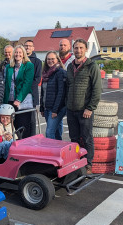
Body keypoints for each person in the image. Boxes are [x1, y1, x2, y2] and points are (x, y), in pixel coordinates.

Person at [66, 39, 102, 174]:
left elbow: (97, 89)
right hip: (71, 110)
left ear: (85, 49)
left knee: (86, 138)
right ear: (73, 50)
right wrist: (67, 104)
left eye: (81, 48)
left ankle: (88, 165)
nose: (78, 50)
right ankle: (76, 162)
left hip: (84, 110)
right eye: (76, 48)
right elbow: (67, 87)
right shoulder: (70, 67)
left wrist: (90, 108)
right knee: (74, 139)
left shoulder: (92, 66)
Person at [3, 45, 34, 139]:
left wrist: (19, 99)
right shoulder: (8, 66)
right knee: (12, 125)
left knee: (23, 125)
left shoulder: (28, 65)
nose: (18, 54)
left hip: (23, 100)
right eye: (16, 52)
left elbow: (27, 84)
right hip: (10, 99)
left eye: (20, 52)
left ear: (23, 54)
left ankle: (24, 146)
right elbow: (6, 83)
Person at [40, 51, 67, 140]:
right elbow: (43, 92)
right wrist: (42, 108)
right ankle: (59, 150)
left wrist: (55, 110)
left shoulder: (60, 72)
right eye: (48, 59)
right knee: (56, 132)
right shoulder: (46, 73)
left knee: (49, 132)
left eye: (52, 59)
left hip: (56, 109)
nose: (50, 61)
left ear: (57, 60)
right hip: (47, 107)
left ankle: (50, 152)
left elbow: (61, 93)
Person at [23, 40, 42, 137]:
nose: (27, 47)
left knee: (31, 120)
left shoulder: (37, 62)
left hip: (31, 95)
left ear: (33, 48)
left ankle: (32, 138)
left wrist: (25, 88)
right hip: (20, 95)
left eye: (30, 46)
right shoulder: (20, 60)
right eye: (26, 46)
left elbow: (37, 79)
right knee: (21, 118)